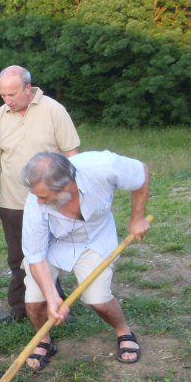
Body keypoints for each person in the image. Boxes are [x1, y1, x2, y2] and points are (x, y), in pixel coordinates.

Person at [20, 150, 150, 370]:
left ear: (66, 186)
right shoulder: (35, 204)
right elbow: (36, 255)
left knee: (97, 299)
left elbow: (141, 174)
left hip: (96, 238)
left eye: (44, 197)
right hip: (55, 242)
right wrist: (52, 298)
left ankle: (123, 331)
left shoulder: (103, 166)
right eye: (36, 196)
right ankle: (44, 340)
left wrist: (137, 218)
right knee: (34, 301)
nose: (38, 202)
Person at [0, 65, 80, 322]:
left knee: (47, 255)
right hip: (13, 202)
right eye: (3, 95)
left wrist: (75, 193)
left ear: (28, 88)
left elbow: (72, 154)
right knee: (17, 258)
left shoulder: (53, 110)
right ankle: (19, 308)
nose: (7, 100)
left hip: (50, 201)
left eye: (12, 94)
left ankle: (55, 304)